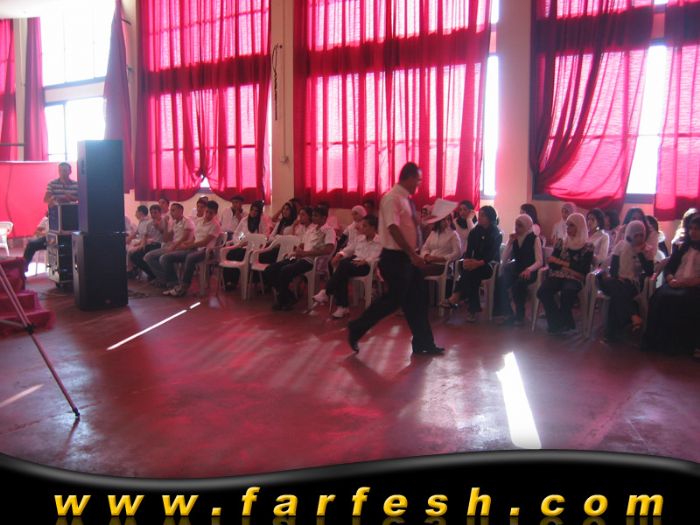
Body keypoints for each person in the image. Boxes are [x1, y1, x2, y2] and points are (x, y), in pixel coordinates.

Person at [347, 162, 444, 355]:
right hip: (395, 258)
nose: (419, 184)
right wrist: (412, 254)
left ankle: (423, 342)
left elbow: (409, 227)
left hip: (407, 257)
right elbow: (393, 228)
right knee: (392, 300)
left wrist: (427, 222)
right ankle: (356, 327)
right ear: (409, 178)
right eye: (418, 180)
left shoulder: (406, 200)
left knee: (417, 299)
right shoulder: (392, 198)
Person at [642, 213, 700, 356]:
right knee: (660, 297)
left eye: (697, 229)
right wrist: (670, 279)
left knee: (683, 299)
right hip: (675, 282)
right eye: (691, 228)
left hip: (694, 286)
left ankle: (681, 346)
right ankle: (659, 343)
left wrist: (685, 282)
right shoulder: (682, 247)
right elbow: (670, 267)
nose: (693, 232)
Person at [263, 206, 336, 310]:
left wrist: (305, 253)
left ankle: (284, 300)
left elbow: (328, 250)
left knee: (285, 270)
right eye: (313, 215)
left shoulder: (329, 231)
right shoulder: (312, 229)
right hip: (301, 257)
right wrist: (298, 250)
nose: (313, 218)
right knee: (270, 270)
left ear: (324, 218)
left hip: (311, 261)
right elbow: (303, 243)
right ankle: (289, 296)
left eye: (316, 216)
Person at [312, 215, 383, 318]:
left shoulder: (380, 241)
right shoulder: (360, 238)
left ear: (373, 228)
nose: (362, 228)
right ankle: (341, 306)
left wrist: (366, 261)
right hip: (354, 262)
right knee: (342, 270)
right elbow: (349, 249)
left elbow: (378, 256)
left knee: (343, 266)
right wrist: (340, 254)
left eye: (365, 226)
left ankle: (327, 293)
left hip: (366, 266)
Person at [596, 220, 655, 342]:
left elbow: (649, 272)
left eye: (641, 235)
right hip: (616, 281)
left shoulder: (647, 250)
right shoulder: (621, 246)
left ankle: (611, 334)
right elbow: (613, 270)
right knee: (615, 286)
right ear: (629, 234)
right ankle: (633, 314)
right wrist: (619, 278)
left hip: (632, 284)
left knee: (617, 295)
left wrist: (640, 253)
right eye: (636, 235)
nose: (639, 238)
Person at [441, 205, 502, 322]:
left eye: (483, 216)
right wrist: (467, 260)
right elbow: (469, 250)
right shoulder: (475, 231)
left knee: (471, 272)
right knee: (471, 273)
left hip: (489, 265)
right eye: (480, 215)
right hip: (475, 264)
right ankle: (471, 309)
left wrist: (478, 263)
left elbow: (491, 255)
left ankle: (456, 297)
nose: (479, 218)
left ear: (490, 218)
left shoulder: (496, 233)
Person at [537, 212, 593, 333]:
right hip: (558, 274)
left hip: (575, 279)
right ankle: (559, 322)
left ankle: (559, 323)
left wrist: (561, 263)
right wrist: (570, 268)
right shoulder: (561, 242)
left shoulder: (587, 246)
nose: (568, 228)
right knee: (542, 291)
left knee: (568, 292)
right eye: (567, 225)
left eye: (571, 225)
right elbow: (552, 263)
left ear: (580, 226)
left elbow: (583, 269)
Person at [493, 214, 543, 325]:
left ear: (527, 226)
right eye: (516, 225)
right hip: (517, 269)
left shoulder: (535, 239)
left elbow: (539, 261)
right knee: (501, 282)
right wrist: (510, 242)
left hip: (530, 271)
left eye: (520, 226)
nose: (516, 228)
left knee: (518, 285)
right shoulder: (515, 239)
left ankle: (520, 316)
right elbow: (504, 259)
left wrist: (529, 269)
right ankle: (507, 313)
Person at [163, 201, 222, 297]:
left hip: (206, 251)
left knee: (190, 258)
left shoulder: (215, 225)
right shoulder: (199, 221)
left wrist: (188, 246)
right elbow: (194, 238)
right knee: (166, 257)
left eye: (211, 213)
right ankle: (174, 285)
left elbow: (204, 242)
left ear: (215, 213)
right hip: (194, 248)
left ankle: (183, 288)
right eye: (207, 212)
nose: (207, 215)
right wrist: (185, 243)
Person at [144, 203, 195, 287]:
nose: (171, 213)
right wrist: (166, 224)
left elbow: (184, 238)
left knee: (163, 258)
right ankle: (164, 279)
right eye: (171, 210)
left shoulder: (187, 221)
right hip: (173, 246)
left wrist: (173, 247)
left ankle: (173, 282)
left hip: (184, 248)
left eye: (173, 210)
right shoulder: (174, 222)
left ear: (181, 211)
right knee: (148, 256)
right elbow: (166, 239)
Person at [222, 200, 271, 290]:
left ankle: (234, 281)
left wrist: (254, 242)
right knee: (231, 254)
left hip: (254, 249)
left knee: (238, 255)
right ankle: (229, 281)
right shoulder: (244, 220)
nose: (253, 212)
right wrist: (240, 242)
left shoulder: (261, 222)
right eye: (252, 210)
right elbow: (237, 234)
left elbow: (266, 236)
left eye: (256, 211)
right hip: (243, 246)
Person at [419, 199, 461, 278]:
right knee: (413, 268)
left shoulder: (453, 234)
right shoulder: (433, 233)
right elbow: (425, 248)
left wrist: (441, 259)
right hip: (430, 263)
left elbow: (457, 253)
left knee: (419, 271)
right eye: (444, 219)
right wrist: (426, 256)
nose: (446, 222)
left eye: (448, 219)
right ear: (438, 220)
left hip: (444, 265)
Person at [129, 204, 166, 280]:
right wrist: (142, 245)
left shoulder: (165, 221)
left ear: (160, 213)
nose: (153, 215)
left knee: (149, 255)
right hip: (151, 244)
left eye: (155, 213)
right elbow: (145, 236)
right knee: (134, 256)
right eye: (151, 213)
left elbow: (166, 236)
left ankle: (157, 276)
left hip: (161, 245)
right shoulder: (149, 223)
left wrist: (158, 227)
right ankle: (152, 274)